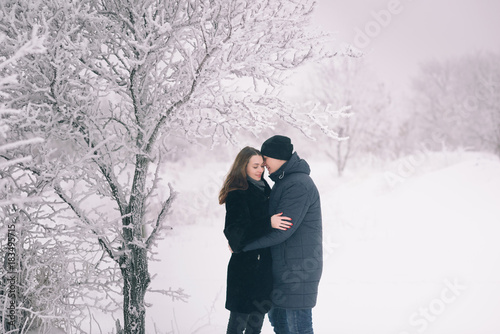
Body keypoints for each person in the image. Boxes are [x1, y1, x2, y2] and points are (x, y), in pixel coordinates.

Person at [241, 135, 323, 334]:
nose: (264, 164)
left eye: (265, 158)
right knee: (281, 325)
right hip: (282, 267)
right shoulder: (284, 182)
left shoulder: (298, 185)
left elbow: (280, 231)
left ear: (278, 157)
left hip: (297, 270)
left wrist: (243, 245)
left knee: (298, 328)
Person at [219, 146, 293, 334]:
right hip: (245, 270)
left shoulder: (264, 189)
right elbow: (235, 232)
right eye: (255, 166)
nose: (260, 170)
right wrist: (268, 222)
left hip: (263, 269)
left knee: (255, 325)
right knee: (238, 323)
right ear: (243, 167)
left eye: (261, 165)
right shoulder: (237, 193)